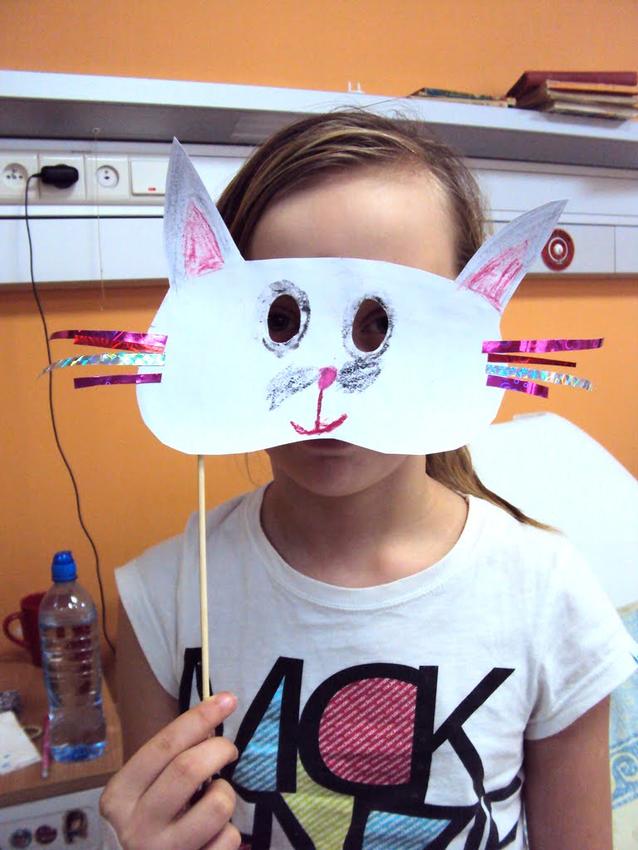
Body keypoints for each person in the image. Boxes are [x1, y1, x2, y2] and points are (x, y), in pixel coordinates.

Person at [100, 111, 637, 850]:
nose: (327, 384)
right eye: (282, 322)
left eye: (381, 327)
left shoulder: (547, 595)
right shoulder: (162, 602)